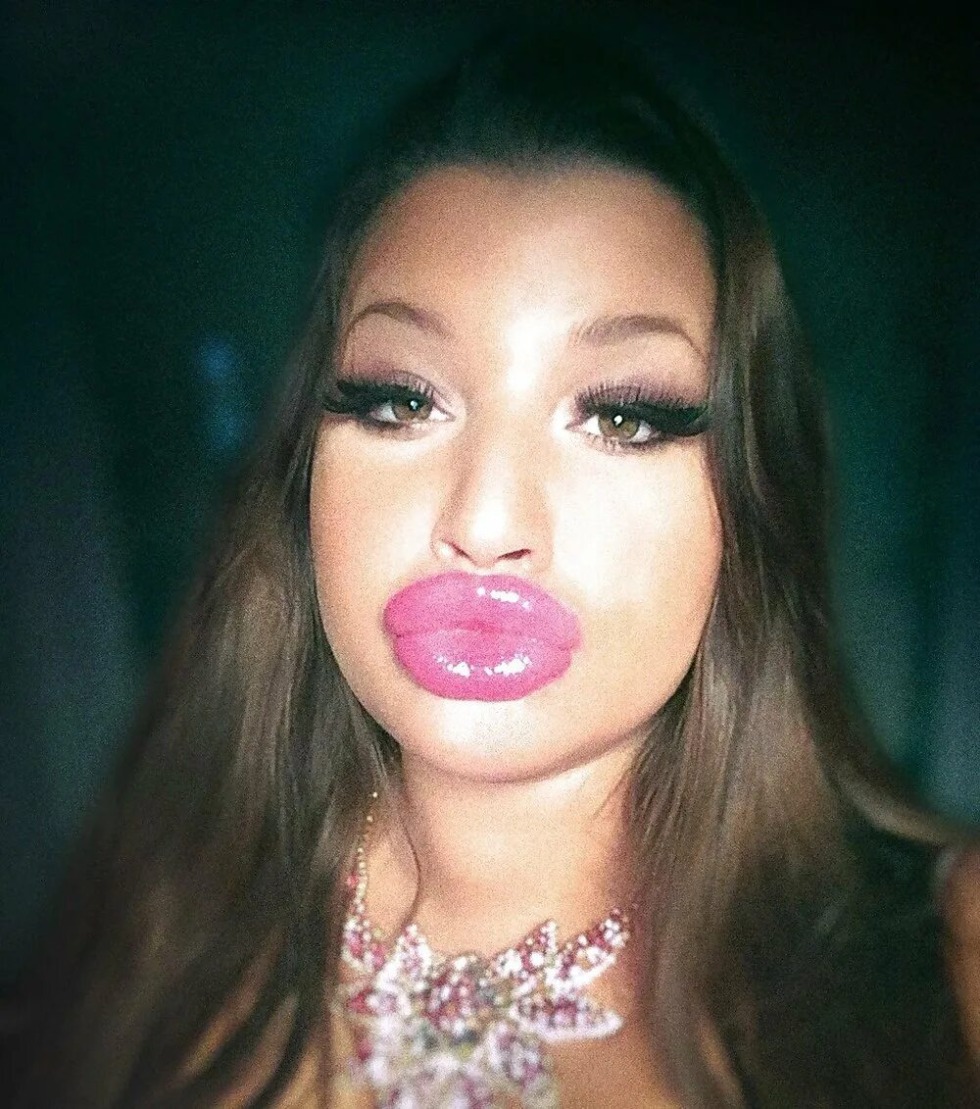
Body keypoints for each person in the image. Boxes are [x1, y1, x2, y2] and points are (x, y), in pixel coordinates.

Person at [6, 20, 979, 1109]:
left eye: (620, 414)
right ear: (304, 477)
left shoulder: (952, 960)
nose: (483, 519)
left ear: (748, 505)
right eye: (400, 399)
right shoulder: (142, 941)